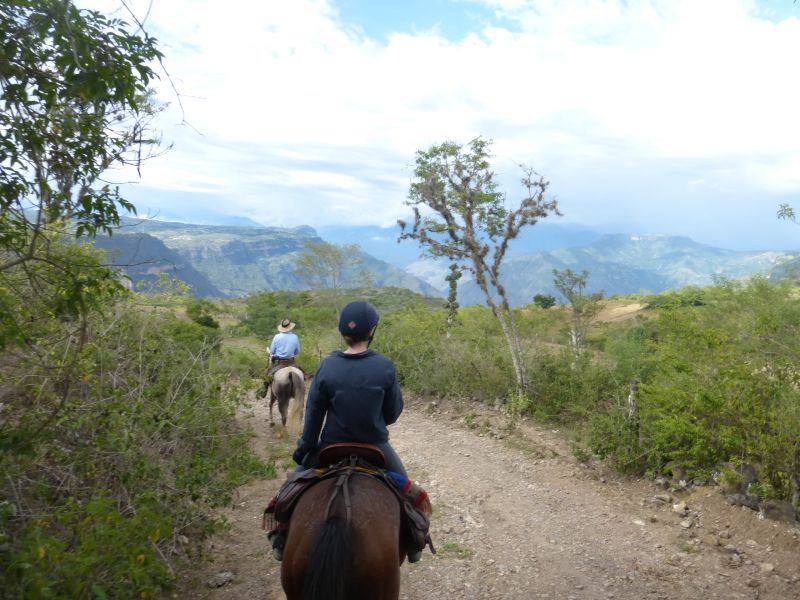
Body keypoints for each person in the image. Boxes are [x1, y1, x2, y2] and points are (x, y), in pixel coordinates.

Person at [268, 301, 424, 562]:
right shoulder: (385, 366)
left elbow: (313, 420)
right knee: (411, 496)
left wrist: (303, 452)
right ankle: (414, 543)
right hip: (377, 448)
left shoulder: (327, 367)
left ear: (343, 332)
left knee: (289, 490)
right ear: (372, 331)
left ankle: (281, 537)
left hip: (330, 446)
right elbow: (393, 414)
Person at [264, 318, 301, 385]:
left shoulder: (277, 337)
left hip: (280, 362)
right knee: (304, 375)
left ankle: (264, 390)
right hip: (292, 362)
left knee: (267, 375)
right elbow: (297, 351)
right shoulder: (295, 337)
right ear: (290, 327)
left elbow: (272, 351)